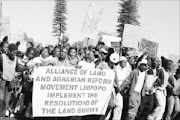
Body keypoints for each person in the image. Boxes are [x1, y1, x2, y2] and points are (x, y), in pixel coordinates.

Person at [0, 44, 29, 118]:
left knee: (6, 101)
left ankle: (1, 116)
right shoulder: (2, 57)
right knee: (1, 98)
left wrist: (27, 67)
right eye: (13, 52)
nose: (14, 55)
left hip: (10, 82)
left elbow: (18, 69)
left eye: (16, 53)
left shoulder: (15, 59)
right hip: (2, 81)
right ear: (9, 51)